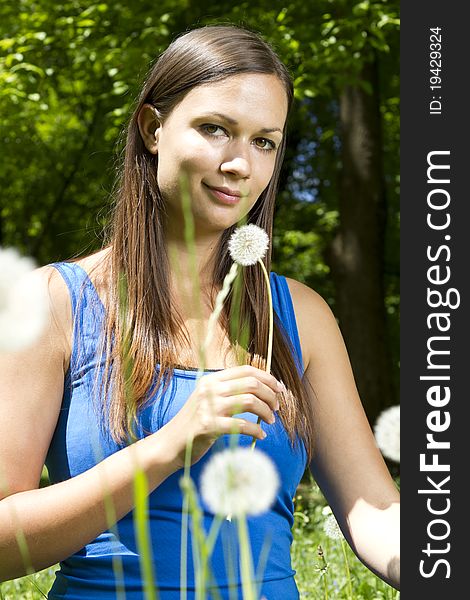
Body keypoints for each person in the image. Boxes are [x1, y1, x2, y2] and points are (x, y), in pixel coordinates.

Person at [0, 24, 400, 598]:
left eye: (265, 141)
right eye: (216, 129)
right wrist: (168, 447)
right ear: (152, 128)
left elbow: (376, 512)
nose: (241, 164)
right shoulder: (53, 304)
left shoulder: (302, 316)